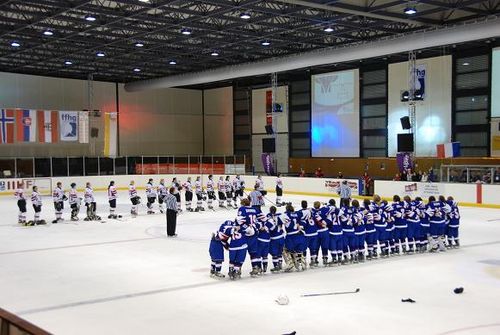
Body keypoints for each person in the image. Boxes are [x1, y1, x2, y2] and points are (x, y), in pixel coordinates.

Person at [298, 200, 318, 268]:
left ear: (301, 205)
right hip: (314, 232)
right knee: (313, 248)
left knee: (304, 248)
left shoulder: (300, 212)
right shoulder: (312, 210)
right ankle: (314, 261)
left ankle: (304, 262)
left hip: (307, 233)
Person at [312, 201, 331, 266]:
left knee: (316, 246)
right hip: (324, 231)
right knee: (324, 246)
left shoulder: (312, 212)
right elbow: (329, 209)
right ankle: (325, 259)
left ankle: (315, 259)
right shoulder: (324, 210)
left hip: (316, 233)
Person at [268, 206, 285, 272]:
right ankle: (280, 263)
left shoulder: (268, 216)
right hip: (281, 236)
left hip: (274, 238)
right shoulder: (280, 215)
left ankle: (276, 266)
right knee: (280, 252)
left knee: (274, 253)